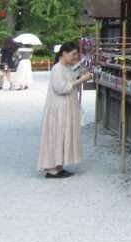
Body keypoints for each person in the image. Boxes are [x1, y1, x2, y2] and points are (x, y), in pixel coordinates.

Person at [37, 41, 92, 178]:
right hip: (58, 108)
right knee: (57, 135)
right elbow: (60, 88)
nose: (75, 57)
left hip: (67, 106)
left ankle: (59, 165)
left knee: (63, 135)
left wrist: (82, 77)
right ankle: (52, 168)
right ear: (64, 53)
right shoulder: (57, 68)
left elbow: (75, 80)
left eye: (76, 55)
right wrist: (80, 80)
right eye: (73, 54)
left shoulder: (69, 67)